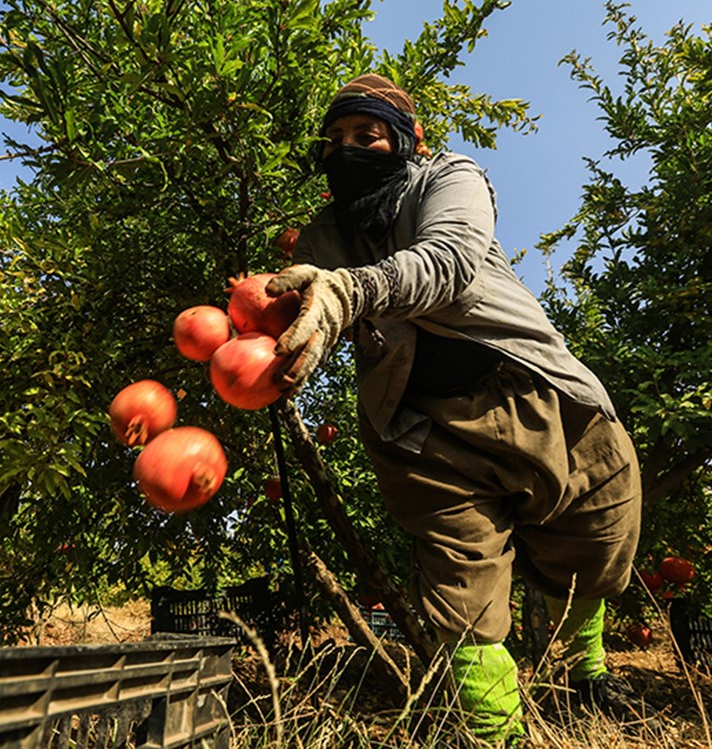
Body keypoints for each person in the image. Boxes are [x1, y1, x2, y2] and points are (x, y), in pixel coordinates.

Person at [266, 74, 647, 745]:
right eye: (336, 140)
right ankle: (500, 735)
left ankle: (584, 665)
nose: (348, 148)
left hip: (529, 386)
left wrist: (349, 293)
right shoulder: (324, 236)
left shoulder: (449, 178)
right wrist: (258, 348)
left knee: (598, 541)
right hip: (422, 432)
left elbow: (450, 263)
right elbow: (302, 314)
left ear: (408, 141)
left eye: (367, 134)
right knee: (460, 599)